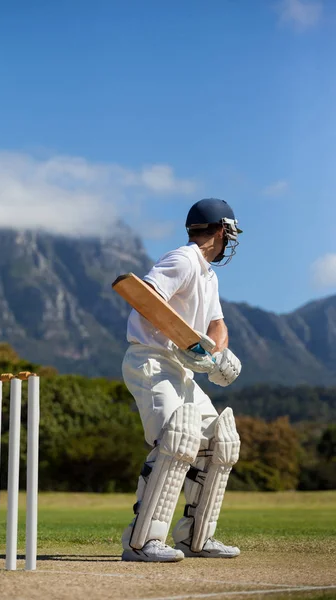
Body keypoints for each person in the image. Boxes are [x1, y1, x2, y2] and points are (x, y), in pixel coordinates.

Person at [120, 198, 243, 562]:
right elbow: (147, 298)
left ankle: (196, 538)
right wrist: (185, 340)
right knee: (177, 438)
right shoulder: (183, 259)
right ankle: (142, 542)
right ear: (221, 231)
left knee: (219, 443)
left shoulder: (208, 273)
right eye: (229, 235)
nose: (228, 243)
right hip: (152, 361)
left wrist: (215, 356)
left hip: (182, 368)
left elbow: (217, 324)